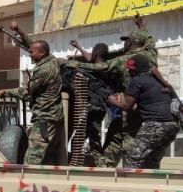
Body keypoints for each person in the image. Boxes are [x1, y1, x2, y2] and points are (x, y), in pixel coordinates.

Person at [62, 13, 159, 167]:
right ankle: (106, 165)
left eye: (126, 41)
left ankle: (131, 170)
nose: (124, 44)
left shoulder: (125, 59)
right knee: (115, 132)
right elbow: (149, 40)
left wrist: (71, 64)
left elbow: (100, 66)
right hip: (146, 105)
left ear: (132, 42)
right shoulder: (151, 54)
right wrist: (140, 25)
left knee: (128, 137)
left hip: (130, 105)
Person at [0, 39, 64, 165]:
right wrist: (19, 31)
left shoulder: (42, 70)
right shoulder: (52, 60)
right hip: (54, 115)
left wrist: (6, 91)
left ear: (42, 53)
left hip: (45, 117)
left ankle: (27, 183)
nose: (29, 54)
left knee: (32, 158)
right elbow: (33, 44)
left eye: (32, 52)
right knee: (48, 156)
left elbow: (26, 92)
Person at [107, 54, 179, 169]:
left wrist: (112, 101)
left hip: (156, 124)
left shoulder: (138, 80)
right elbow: (140, 106)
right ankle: (153, 184)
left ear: (135, 70)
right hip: (173, 125)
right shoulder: (157, 80)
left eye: (130, 69)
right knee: (152, 159)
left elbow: (127, 106)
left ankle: (129, 185)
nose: (129, 72)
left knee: (133, 158)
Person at [69, 40, 112, 167]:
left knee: (88, 138)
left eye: (93, 52)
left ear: (96, 53)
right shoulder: (104, 66)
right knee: (87, 137)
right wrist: (78, 46)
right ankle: (80, 162)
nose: (90, 54)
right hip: (98, 108)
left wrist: (69, 62)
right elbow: (89, 57)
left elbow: (88, 61)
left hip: (93, 108)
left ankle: (100, 166)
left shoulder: (96, 69)